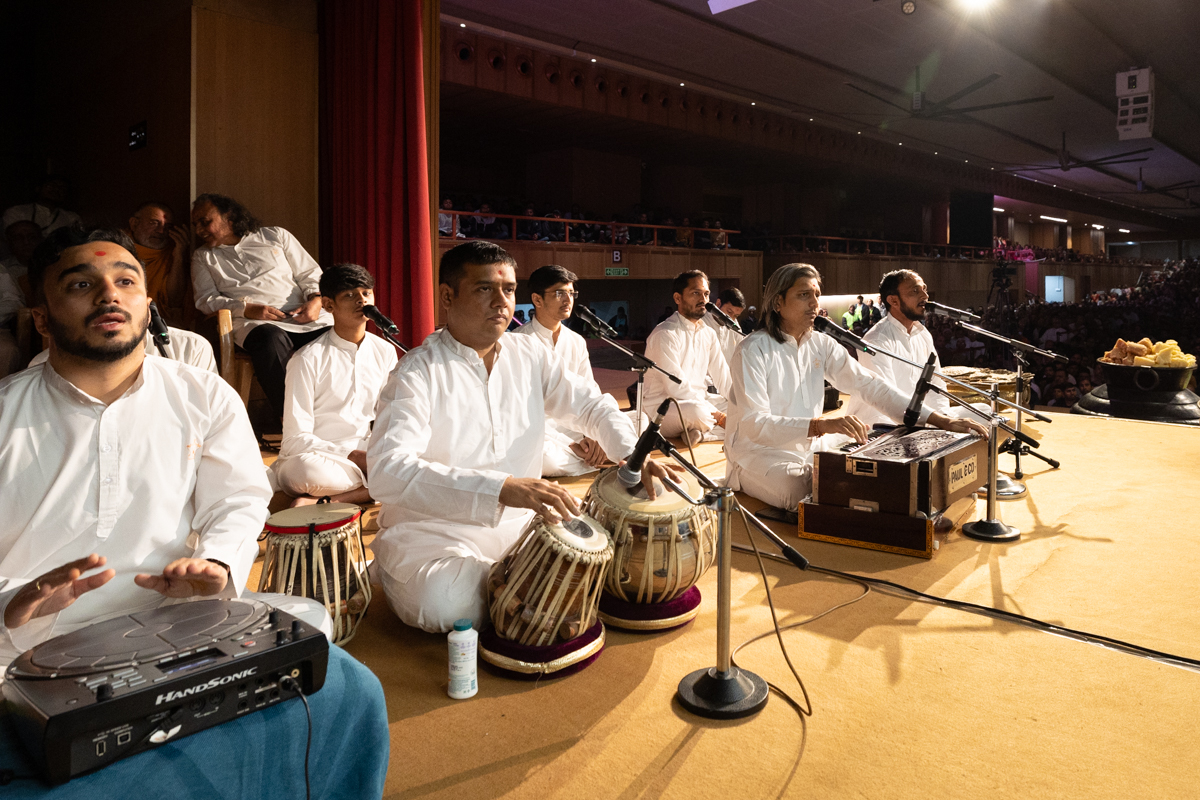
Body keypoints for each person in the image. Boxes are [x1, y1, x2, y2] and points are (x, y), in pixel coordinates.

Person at [0, 226, 335, 671]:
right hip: (25, 640)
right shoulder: (7, 411)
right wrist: (11, 601)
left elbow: (237, 499)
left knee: (316, 630)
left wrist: (216, 563)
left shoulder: (203, 395)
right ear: (42, 318)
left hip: (173, 619)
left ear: (147, 305)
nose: (109, 295)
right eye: (81, 284)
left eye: (125, 281)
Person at [365, 241, 675, 633]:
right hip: (434, 533)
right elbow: (388, 472)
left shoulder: (529, 353)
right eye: (484, 289)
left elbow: (591, 405)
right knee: (445, 603)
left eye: (509, 289)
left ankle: (513, 586)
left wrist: (634, 455)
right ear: (447, 296)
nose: (501, 302)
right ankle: (408, 571)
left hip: (524, 526)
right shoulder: (417, 372)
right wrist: (501, 488)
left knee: (612, 556)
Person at [724, 263, 987, 512]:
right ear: (777, 302)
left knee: (873, 445)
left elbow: (870, 385)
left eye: (816, 295)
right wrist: (819, 426)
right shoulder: (753, 350)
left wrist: (940, 420)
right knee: (800, 487)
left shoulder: (821, 344)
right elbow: (754, 424)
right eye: (804, 295)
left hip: (811, 447)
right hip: (758, 453)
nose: (814, 303)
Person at [190, 193, 332, 423]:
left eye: (205, 222)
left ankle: (341, 417)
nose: (199, 230)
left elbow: (310, 273)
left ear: (229, 216)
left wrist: (316, 300)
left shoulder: (275, 236)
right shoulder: (204, 257)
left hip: (301, 315)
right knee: (269, 339)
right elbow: (205, 300)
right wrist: (245, 309)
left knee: (338, 336)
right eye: (195, 224)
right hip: (253, 322)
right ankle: (292, 421)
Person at [271, 263, 398, 507]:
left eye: (366, 293)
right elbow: (294, 439)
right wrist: (352, 456)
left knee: (427, 452)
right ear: (329, 305)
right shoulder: (307, 359)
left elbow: (390, 417)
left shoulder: (384, 351)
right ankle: (379, 487)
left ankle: (334, 499)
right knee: (306, 471)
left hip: (367, 454)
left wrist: (380, 454)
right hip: (319, 458)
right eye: (349, 295)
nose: (362, 301)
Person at [843, 270, 983, 426]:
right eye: (915, 291)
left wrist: (944, 419)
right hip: (884, 423)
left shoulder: (922, 333)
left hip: (923, 416)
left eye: (924, 289)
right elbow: (886, 399)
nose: (925, 296)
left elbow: (936, 384)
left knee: (985, 412)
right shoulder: (877, 340)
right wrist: (940, 422)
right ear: (893, 301)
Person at [514, 265, 614, 477]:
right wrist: (571, 444)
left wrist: (594, 434)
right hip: (540, 431)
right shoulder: (519, 342)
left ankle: (589, 456)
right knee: (546, 460)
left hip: (575, 426)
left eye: (571, 293)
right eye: (559, 293)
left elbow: (590, 392)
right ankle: (592, 460)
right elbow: (520, 414)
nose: (568, 300)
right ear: (537, 299)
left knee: (640, 421)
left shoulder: (576, 341)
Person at [643, 269, 732, 445]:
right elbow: (676, 389)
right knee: (697, 412)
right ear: (678, 298)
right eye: (696, 293)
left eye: (706, 294)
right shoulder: (665, 333)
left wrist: (742, 406)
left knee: (741, 409)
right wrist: (720, 417)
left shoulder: (708, 333)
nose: (703, 300)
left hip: (700, 401)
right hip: (666, 407)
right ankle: (704, 430)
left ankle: (699, 434)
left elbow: (724, 378)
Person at [126, 201, 190, 324]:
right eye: (154, 223)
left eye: (167, 226)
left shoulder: (172, 251)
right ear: (134, 224)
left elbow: (174, 302)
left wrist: (179, 256)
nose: (161, 231)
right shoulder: (118, 249)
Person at [1, 176, 82, 251]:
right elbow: (11, 240)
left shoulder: (72, 217)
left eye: (62, 188)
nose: (56, 190)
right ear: (38, 188)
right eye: (51, 185)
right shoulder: (16, 212)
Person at [703, 286, 745, 364]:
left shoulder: (735, 325)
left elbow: (741, 352)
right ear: (718, 303)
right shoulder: (702, 321)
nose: (731, 318)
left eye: (736, 316)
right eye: (729, 312)